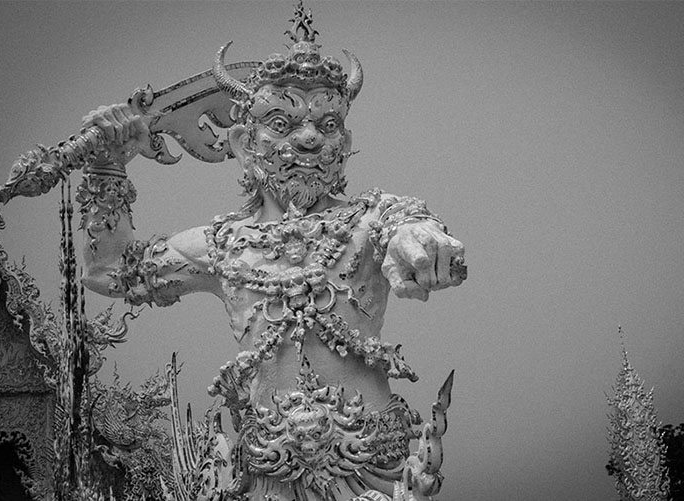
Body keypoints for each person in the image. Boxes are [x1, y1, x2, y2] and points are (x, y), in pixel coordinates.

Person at [77, 4, 465, 499]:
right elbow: (110, 271)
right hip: (268, 473)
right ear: (244, 143)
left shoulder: (371, 222)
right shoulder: (222, 246)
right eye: (282, 122)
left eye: (328, 125)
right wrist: (107, 166)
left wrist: (422, 243)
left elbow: (412, 230)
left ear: (345, 142)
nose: (309, 138)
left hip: (372, 468)